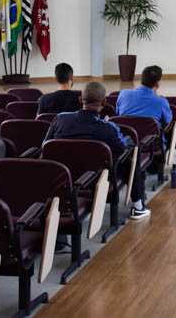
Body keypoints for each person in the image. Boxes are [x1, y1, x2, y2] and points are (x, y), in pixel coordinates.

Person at [43, 81, 149, 220]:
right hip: (95, 179)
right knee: (132, 151)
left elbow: (45, 145)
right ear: (104, 102)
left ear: (80, 100)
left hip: (61, 178)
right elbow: (122, 151)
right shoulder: (108, 129)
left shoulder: (60, 119)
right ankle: (138, 206)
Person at [116, 65, 172, 145]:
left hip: (126, 145)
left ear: (141, 79)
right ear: (158, 83)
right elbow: (167, 121)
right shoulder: (161, 101)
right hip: (152, 146)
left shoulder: (123, 94)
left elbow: (118, 114)